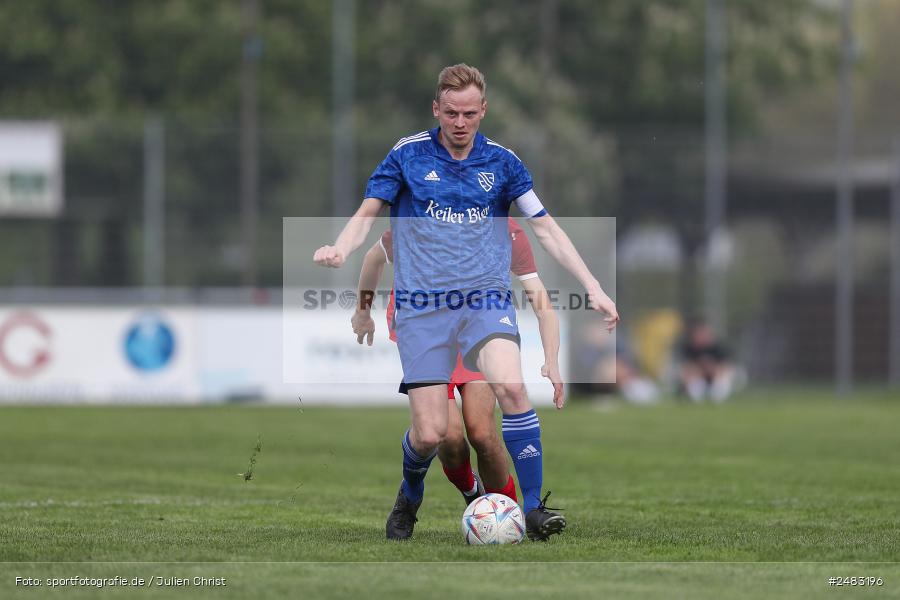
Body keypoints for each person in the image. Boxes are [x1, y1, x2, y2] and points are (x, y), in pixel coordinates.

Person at [313, 63, 618, 541]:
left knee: (511, 392)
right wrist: (340, 249)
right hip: (421, 309)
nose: (460, 122)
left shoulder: (503, 163)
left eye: (469, 113)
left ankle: (534, 509)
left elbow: (547, 229)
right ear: (437, 109)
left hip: (483, 302)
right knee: (435, 434)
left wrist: (593, 286)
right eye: (451, 112)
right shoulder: (407, 156)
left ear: (483, 112)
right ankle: (409, 495)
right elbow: (367, 215)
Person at [351, 218, 563, 510]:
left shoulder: (508, 231)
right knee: (446, 438)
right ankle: (448, 492)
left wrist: (551, 359)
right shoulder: (422, 221)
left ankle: (510, 513)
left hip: (478, 327)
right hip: (425, 329)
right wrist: (363, 312)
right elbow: (373, 258)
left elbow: (543, 306)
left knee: (483, 433)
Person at [679, 320, 734, 403]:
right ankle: (697, 400)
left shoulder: (717, 348)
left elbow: (725, 366)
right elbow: (687, 368)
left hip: (715, 377)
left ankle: (717, 399)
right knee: (693, 381)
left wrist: (712, 370)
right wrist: (700, 370)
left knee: (723, 380)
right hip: (698, 377)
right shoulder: (688, 348)